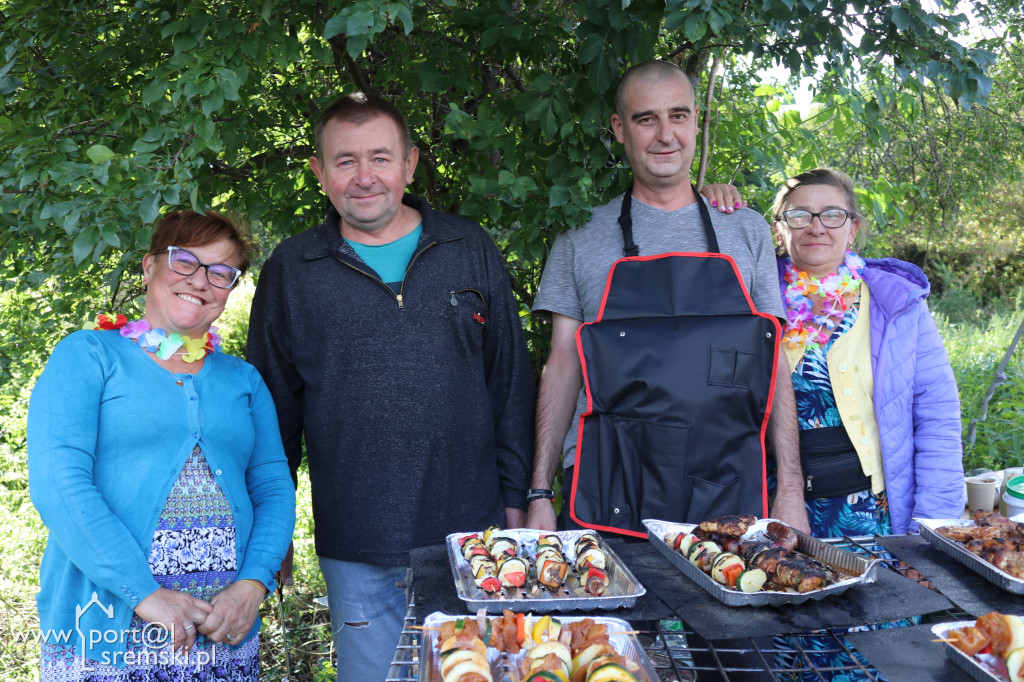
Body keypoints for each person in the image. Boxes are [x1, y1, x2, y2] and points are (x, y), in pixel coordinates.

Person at [246, 92, 535, 681]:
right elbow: (272, 414)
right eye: (345, 160)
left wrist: (519, 500)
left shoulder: (467, 248)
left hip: (473, 537)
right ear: (319, 172)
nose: (364, 176)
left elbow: (510, 384)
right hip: (355, 543)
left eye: (380, 157)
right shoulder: (293, 269)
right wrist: (267, 533)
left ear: (410, 164)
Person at [527, 60, 809, 533]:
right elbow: (562, 366)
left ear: (696, 121)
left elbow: (772, 358)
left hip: (728, 484)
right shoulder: (581, 238)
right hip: (607, 480)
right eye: (646, 119)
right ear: (620, 129)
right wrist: (539, 493)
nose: (665, 135)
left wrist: (792, 491)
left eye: (678, 116)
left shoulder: (746, 230)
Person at [28, 210, 296, 680]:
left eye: (221, 272)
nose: (201, 280)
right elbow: (58, 483)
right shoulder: (89, 355)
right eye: (185, 261)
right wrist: (146, 595)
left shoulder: (244, 380)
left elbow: (274, 488)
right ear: (150, 265)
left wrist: (253, 585)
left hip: (223, 634)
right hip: (105, 637)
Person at [770, 167, 964, 536]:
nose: (816, 226)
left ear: (852, 228)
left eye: (832, 214)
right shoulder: (754, 305)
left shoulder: (898, 306)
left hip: (879, 518)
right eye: (798, 215)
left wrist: (935, 529)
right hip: (780, 512)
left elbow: (937, 420)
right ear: (779, 229)